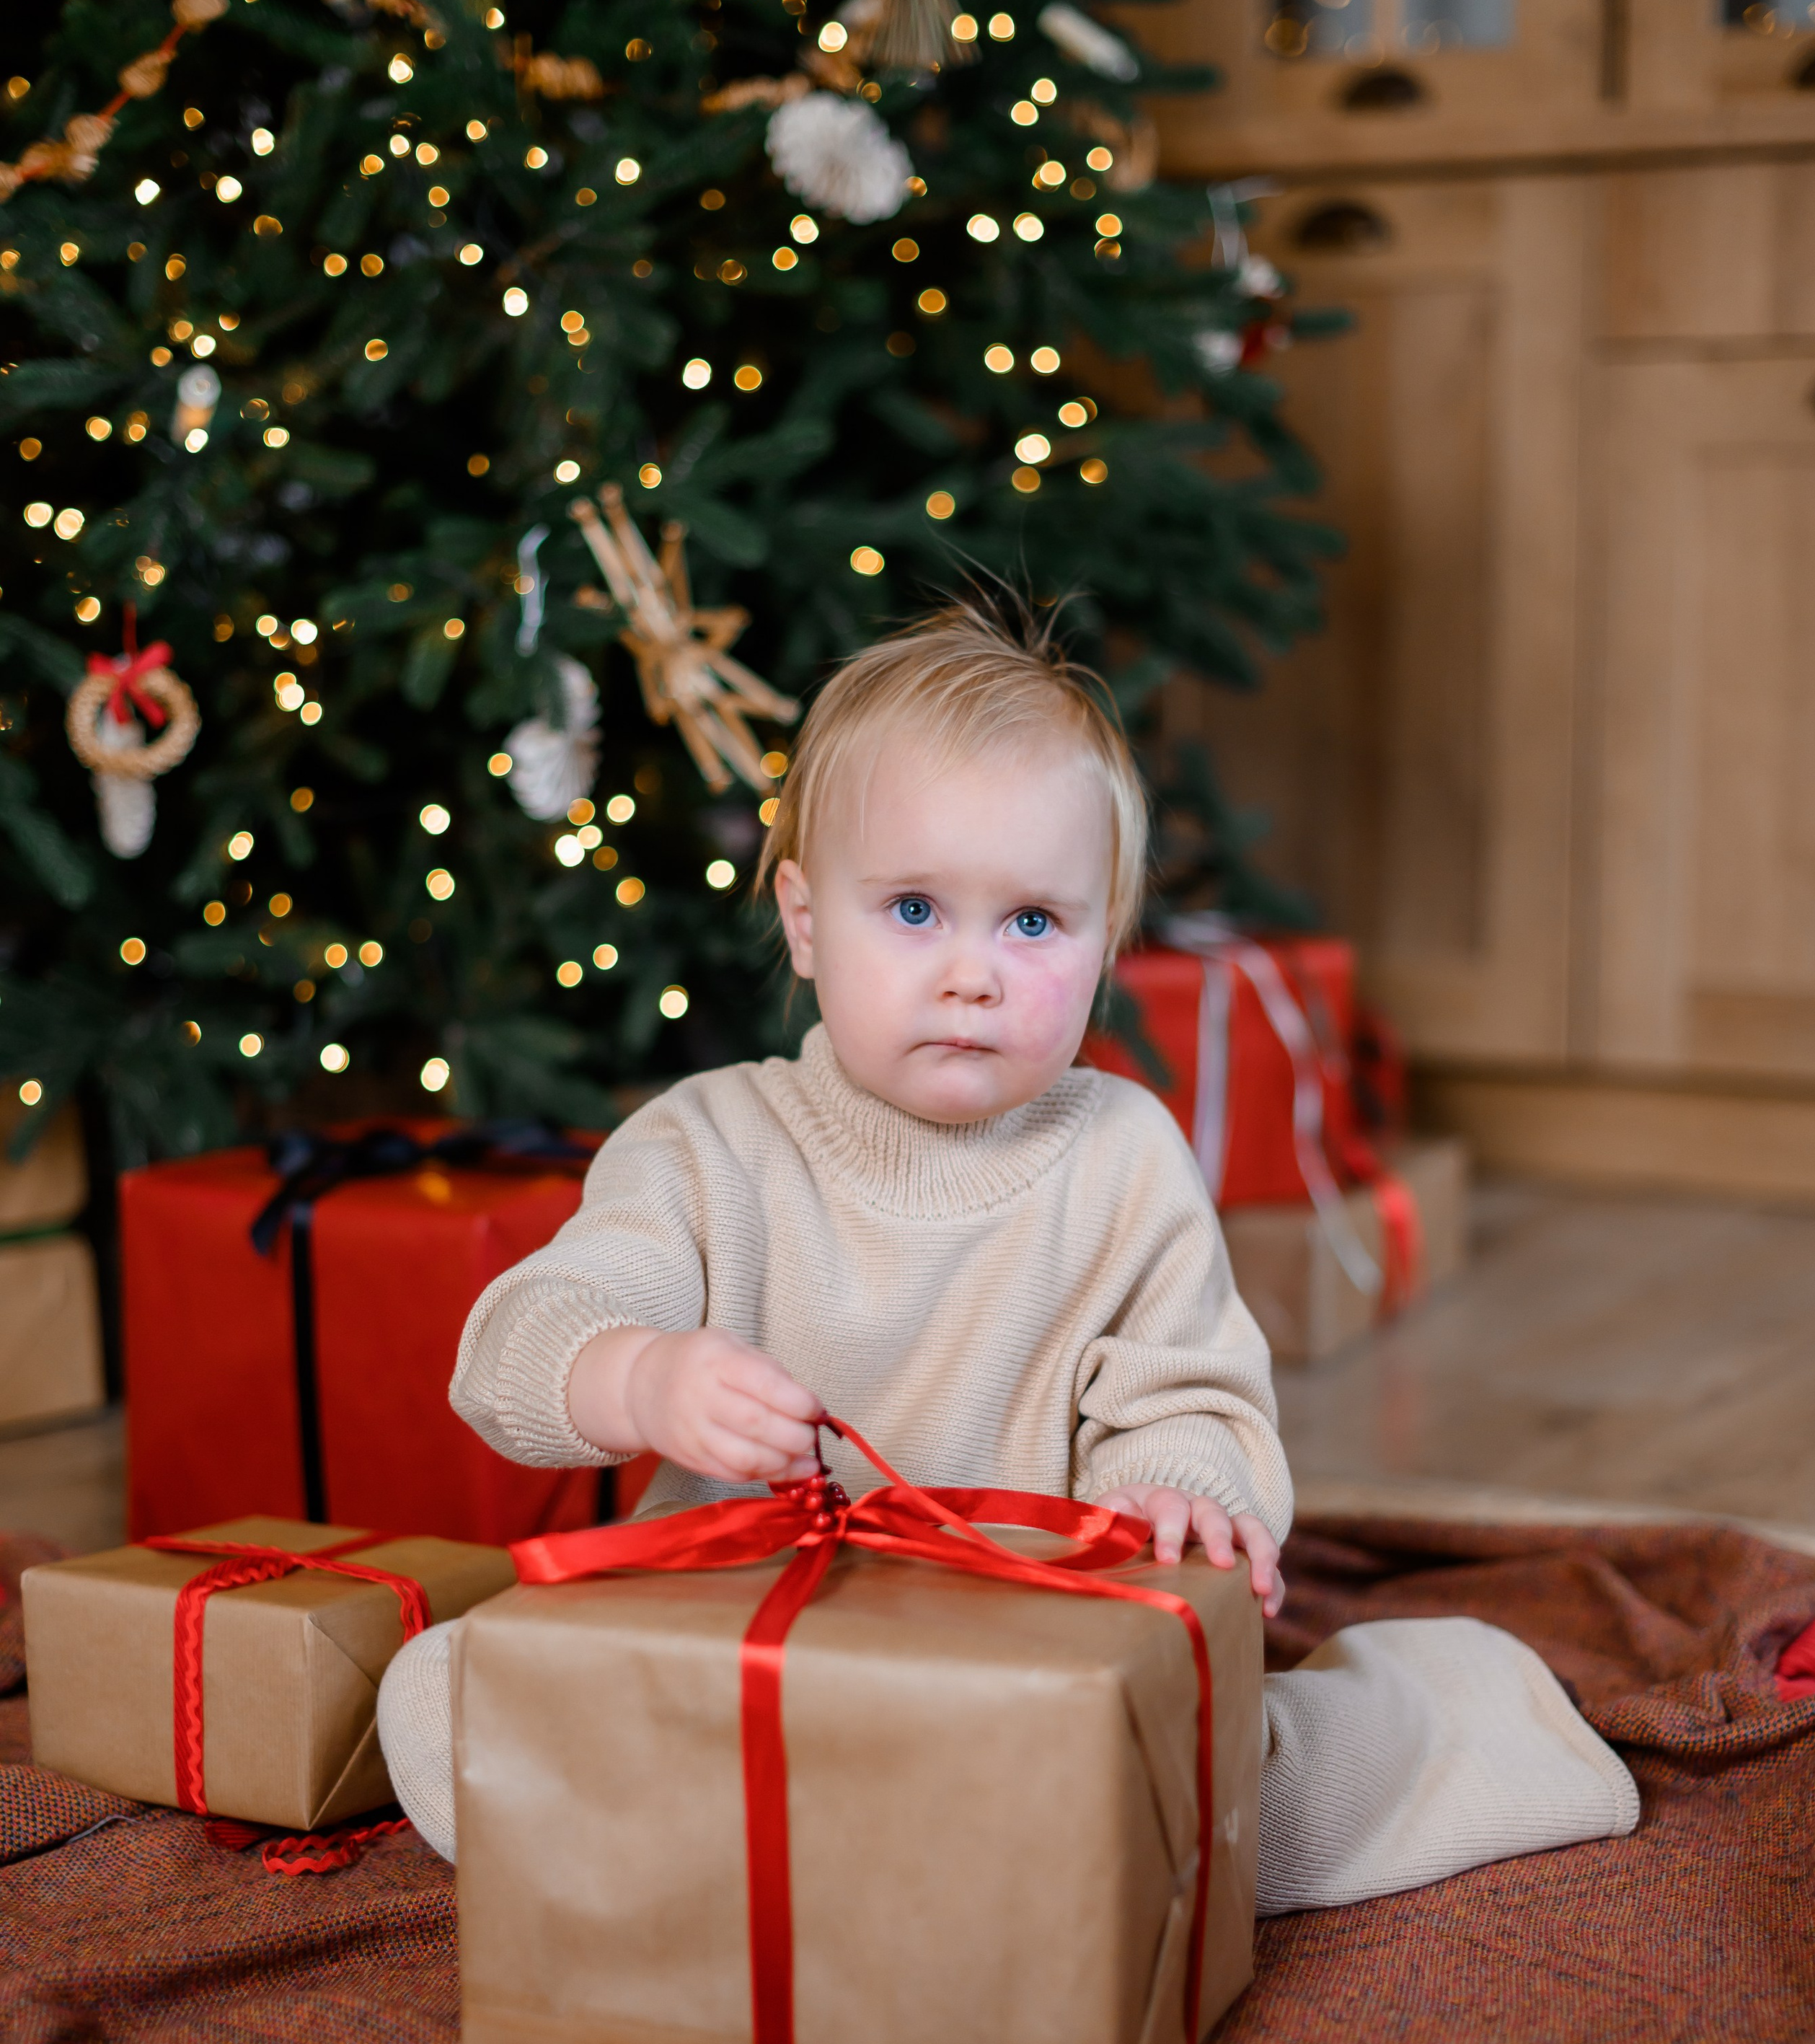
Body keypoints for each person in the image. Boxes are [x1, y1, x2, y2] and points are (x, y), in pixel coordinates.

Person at [383, 598, 1638, 1895]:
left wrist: (1177, 1492)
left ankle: (1428, 1726)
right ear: (806, 920)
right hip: (745, 1659)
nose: (973, 973)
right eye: (914, 909)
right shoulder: (709, 1146)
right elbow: (516, 1346)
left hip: (1029, 1675)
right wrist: (640, 1378)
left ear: (1104, 948)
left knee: (1225, 1795)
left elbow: (1190, 1394)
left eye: (1033, 922)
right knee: (439, 1696)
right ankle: (892, 1866)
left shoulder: (1122, 1159)